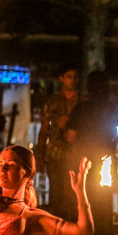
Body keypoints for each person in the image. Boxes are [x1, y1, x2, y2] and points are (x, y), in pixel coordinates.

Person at [64, 70, 118, 235]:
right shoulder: (112, 109)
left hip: (87, 161)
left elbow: (70, 136)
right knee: (105, 198)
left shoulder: (83, 109)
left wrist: (62, 128)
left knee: (89, 199)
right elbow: (113, 134)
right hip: (107, 160)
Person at [36, 66, 79, 224]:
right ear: (62, 78)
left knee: (74, 193)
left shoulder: (81, 101)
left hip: (75, 152)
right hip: (55, 154)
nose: (72, 80)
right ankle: (55, 231)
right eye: (69, 76)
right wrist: (39, 156)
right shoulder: (53, 101)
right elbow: (44, 130)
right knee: (56, 193)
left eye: (75, 77)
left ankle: (73, 228)